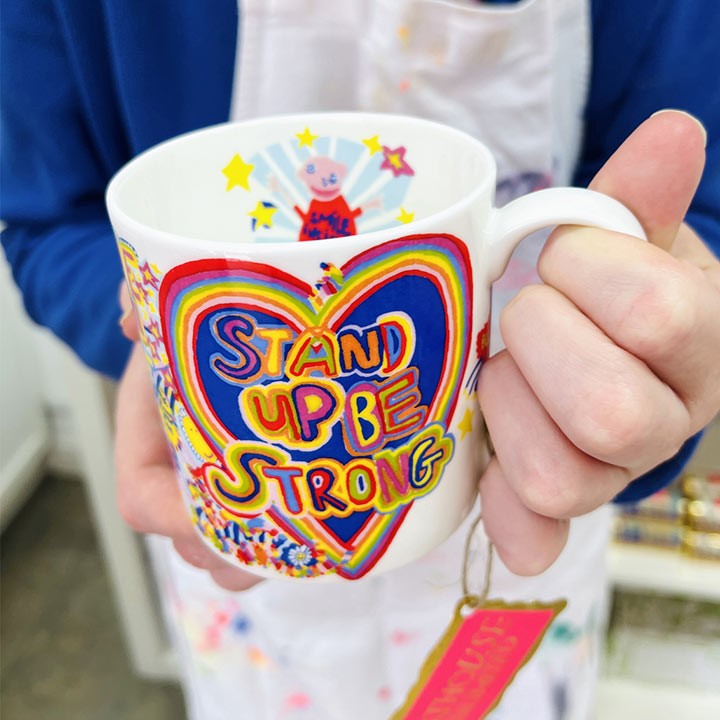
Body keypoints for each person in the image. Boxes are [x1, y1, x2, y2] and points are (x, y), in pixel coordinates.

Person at [2, 1, 719, 718]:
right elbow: (45, 218)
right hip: (245, 550)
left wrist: (636, 367)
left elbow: (686, 216)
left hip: (516, 514)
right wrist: (142, 330)